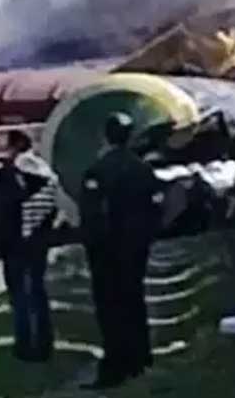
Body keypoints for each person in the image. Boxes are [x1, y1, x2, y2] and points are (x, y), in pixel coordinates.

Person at [79, 113, 165, 389]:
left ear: (107, 135)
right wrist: (145, 238)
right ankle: (141, 357)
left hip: (107, 250)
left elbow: (91, 215)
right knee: (134, 300)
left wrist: (92, 246)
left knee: (110, 307)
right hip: (135, 248)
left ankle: (115, 365)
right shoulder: (144, 170)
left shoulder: (97, 171)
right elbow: (156, 207)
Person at [0, 129, 62, 361]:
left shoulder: (12, 171)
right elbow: (54, 207)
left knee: (19, 295)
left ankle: (24, 347)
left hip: (16, 241)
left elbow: (4, 209)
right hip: (39, 240)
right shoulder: (45, 171)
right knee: (37, 290)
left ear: (14, 146)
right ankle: (45, 344)